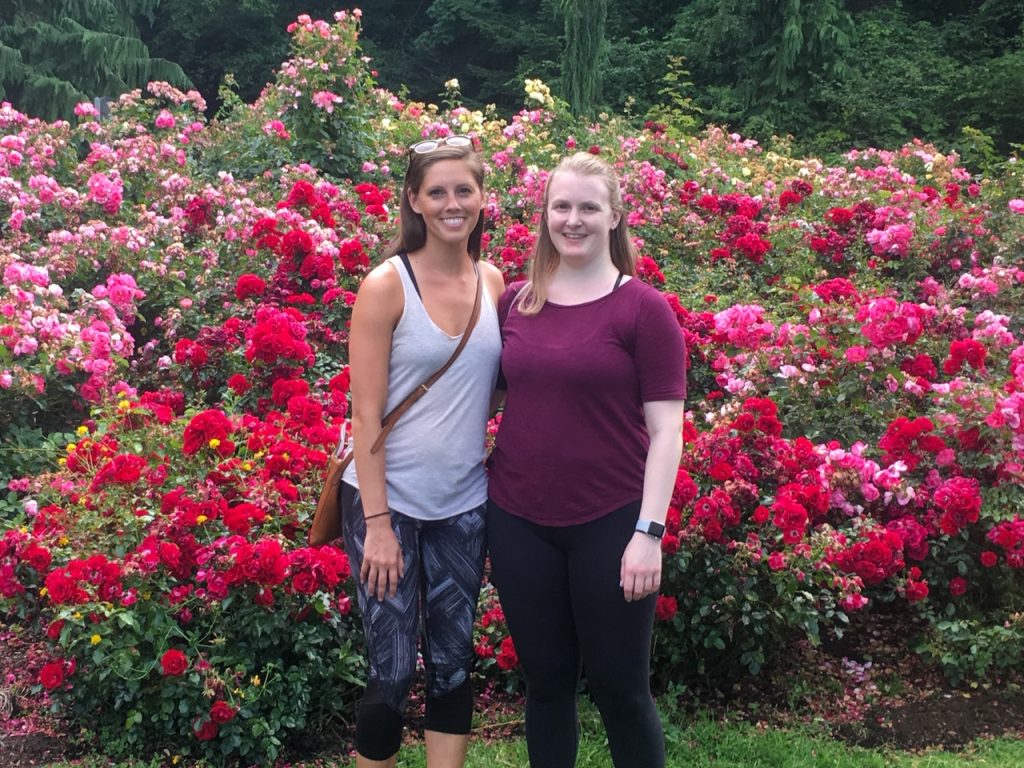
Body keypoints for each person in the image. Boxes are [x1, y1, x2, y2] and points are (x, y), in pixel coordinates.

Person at [486, 152, 687, 768]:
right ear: (545, 214)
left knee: (620, 692)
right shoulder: (516, 303)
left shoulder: (643, 310)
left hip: (612, 522)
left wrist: (648, 533)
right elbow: (480, 399)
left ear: (615, 216)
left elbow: (668, 429)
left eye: (588, 207)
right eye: (562, 206)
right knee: (546, 687)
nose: (573, 220)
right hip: (519, 520)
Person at [341, 135, 505, 768]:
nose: (452, 203)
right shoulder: (387, 286)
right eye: (437, 191)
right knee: (390, 670)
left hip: (464, 501)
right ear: (413, 199)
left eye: (464, 190)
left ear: (483, 198)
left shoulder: (493, 281)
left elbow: (492, 389)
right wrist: (379, 525)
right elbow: (365, 413)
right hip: (389, 504)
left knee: (453, 664)